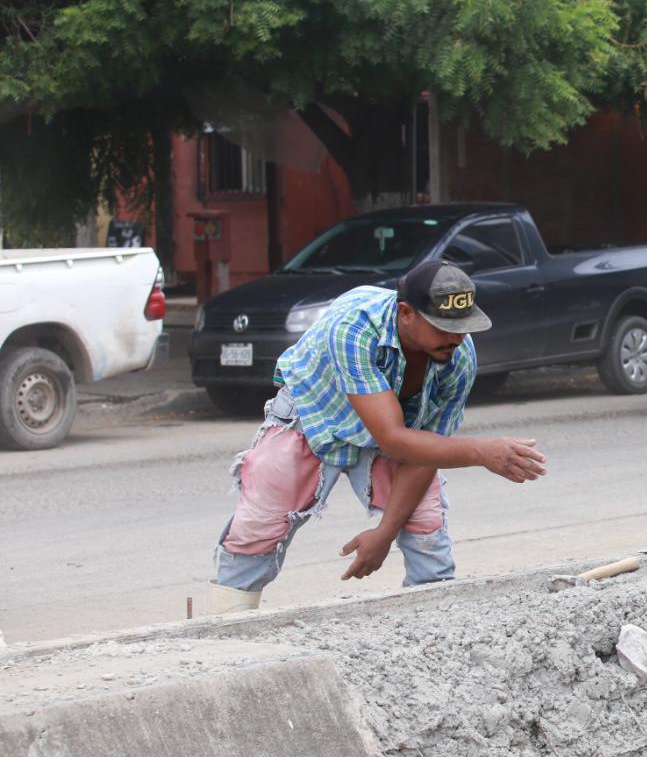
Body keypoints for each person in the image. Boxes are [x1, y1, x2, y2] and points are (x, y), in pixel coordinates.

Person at [207, 260, 547, 612]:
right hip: (313, 415)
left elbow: (422, 454)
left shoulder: (458, 357)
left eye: (463, 326)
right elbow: (392, 439)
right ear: (406, 313)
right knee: (259, 525)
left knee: (426, 523)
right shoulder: (354, 328)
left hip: (394, 425)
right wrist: (481, 452)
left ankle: (434, 629)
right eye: (444, 327)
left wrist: (384, 534)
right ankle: (225, 634)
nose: (457, 338)